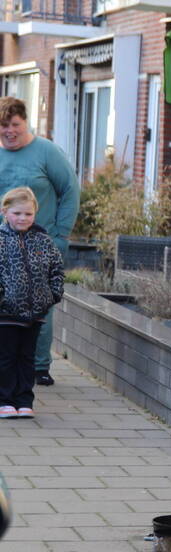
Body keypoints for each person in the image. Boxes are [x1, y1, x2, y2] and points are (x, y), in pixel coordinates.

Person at [0, 97, 79, 387]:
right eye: (3, 126)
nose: (9, 131)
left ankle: (38, 365)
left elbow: (70, 190)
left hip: (40, 245)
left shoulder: (46, 152)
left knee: (39, 305)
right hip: (3, 245)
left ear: (26, 122)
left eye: (15, 125)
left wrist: (60, 234)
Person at [0, 187, 65, 419]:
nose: (23, 218)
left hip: (35, 312)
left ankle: (24, 400)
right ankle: (5, 400)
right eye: (17, 213)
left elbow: (56, 269)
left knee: (28, 356)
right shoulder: (1, 240)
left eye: (28, 214)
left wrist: (52, 295)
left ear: (35, 214)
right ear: (4, 211)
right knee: (6, 357)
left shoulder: (43, 241)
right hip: (5, 313)